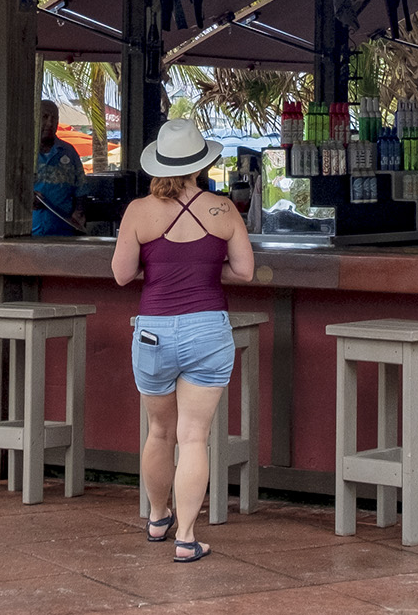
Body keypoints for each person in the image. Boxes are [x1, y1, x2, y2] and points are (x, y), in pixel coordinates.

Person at [110, 117, 256, 565]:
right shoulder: (224, 209)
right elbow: (246, 271)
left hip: (154, 328)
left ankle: (157, 517)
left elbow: (120, 275)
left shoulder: (138, 211)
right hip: (208, 328)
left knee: (160, 431)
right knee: (194, 437)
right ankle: (187, 538)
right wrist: (207, 271)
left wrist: (158, 271)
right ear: (201, 164)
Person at [32, 99, 86, 235]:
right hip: (29, 231)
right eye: (44, 117)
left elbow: (81, 188)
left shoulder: (69, 151)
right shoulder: (24, 151)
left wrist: (78, 213)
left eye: (54, 118)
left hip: (63, 230)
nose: (50, 123)